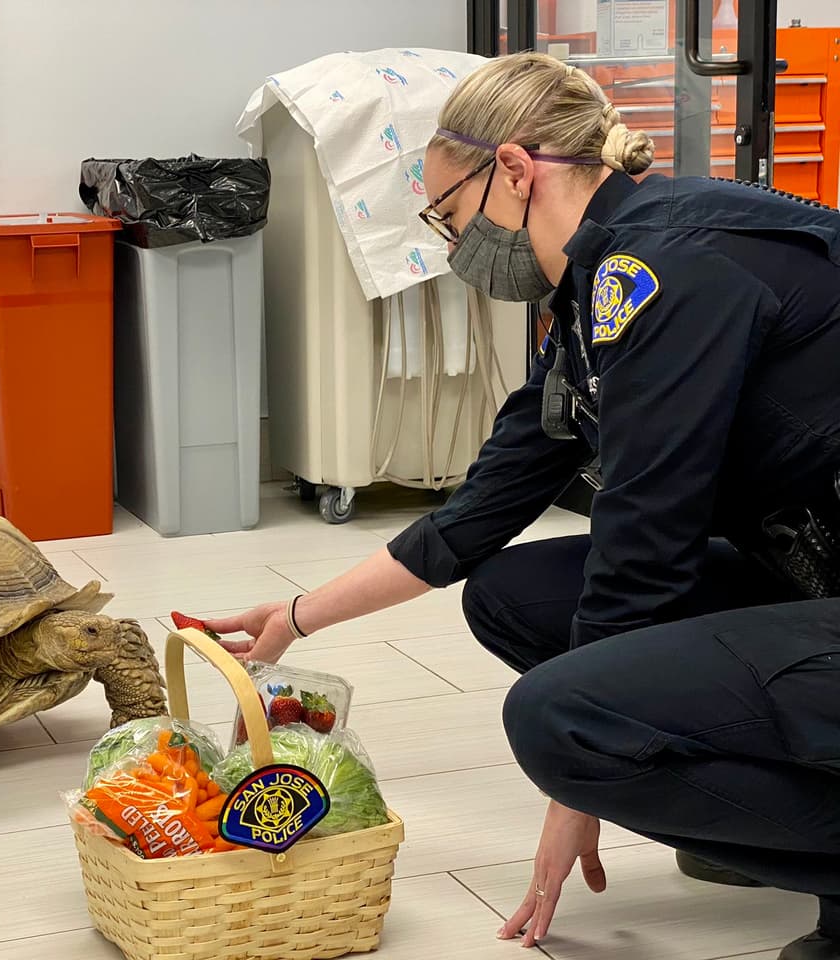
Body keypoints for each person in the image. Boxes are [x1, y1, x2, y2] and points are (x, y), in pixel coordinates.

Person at [211, 52, 840, 960]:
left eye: (450, 214)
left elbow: (644, 549)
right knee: (511, 594)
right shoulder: (595, 292)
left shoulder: (663, 271)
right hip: (811, 573)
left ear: (512, 168)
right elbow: (480, 512)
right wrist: (295, 619)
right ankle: (790, 802)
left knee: (561, 718)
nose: (453, 244)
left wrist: (576, 786)